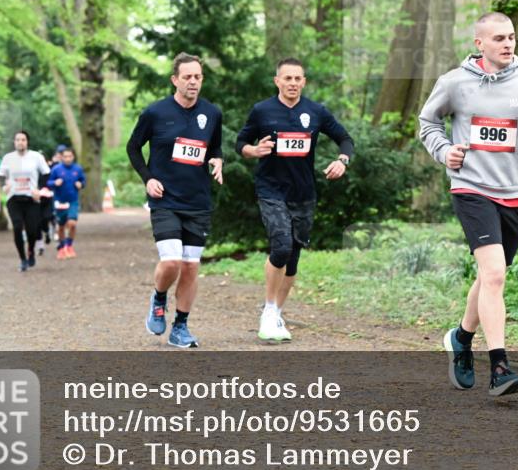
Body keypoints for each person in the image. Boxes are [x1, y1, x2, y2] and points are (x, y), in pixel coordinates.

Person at [419, 12, 518, 396]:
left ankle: (461, 339)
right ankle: (500, 366)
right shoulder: (455, 82)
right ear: (479, 43)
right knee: (495, 275)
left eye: (512, 37)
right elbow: (428, 123)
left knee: (490, 276)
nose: (507, 44)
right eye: (499, 38)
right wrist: (445, 151)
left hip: (516, 191)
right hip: (471, 187)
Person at [236, 58, 354, 342]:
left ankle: (276, 312)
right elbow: (240, 143)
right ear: (277, 81)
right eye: (287, 78)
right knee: (280, 246)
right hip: (271, 189)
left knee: (292, 260)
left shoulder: (315, 111)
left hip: (304, 193)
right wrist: (254, 150)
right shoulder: (262, 111)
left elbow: (345, 139)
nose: (292, 83)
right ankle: (268, 310)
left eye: (297, 79)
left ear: (304, 82)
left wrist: (342, 160)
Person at [127, 52, 223, 348]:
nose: (193, 82)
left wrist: (218, 161)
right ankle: (158, 298)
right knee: (171, 262)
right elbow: (133, 148)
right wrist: (148, 178)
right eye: (187, 77)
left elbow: (214, 147)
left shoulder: (212, 113)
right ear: (175, 80)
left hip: (198, 201)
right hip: (165, 199)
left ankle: (180, 326)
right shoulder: (155, 113)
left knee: (191, 266)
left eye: (197, 77)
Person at [0, 131, 51, 272]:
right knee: (17, 227)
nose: (20, 142)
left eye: (23, 139)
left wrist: (39, 190)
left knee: (32, 230)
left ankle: (31, 251)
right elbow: (1, 175)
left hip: (31, 198)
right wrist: (5, 185)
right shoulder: (8, 158)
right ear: (14, 142)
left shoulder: (36, 157)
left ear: (27, 142)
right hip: (14, 198)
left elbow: (46, 173)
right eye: (17, 140)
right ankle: (22, 259)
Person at [48, 147, 86, 259]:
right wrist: (55, 182)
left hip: (73, 200)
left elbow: (83, 181)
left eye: (70, 156)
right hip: (59, 201)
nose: (68, 159)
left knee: (72, 223)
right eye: (65, 156)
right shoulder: (56, 169)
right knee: (61, 226)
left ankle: (69, 245)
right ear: (62, 157)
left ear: (73, 157)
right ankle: (62, 247)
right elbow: (49, 182)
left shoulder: (77, 169)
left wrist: (81, 184)